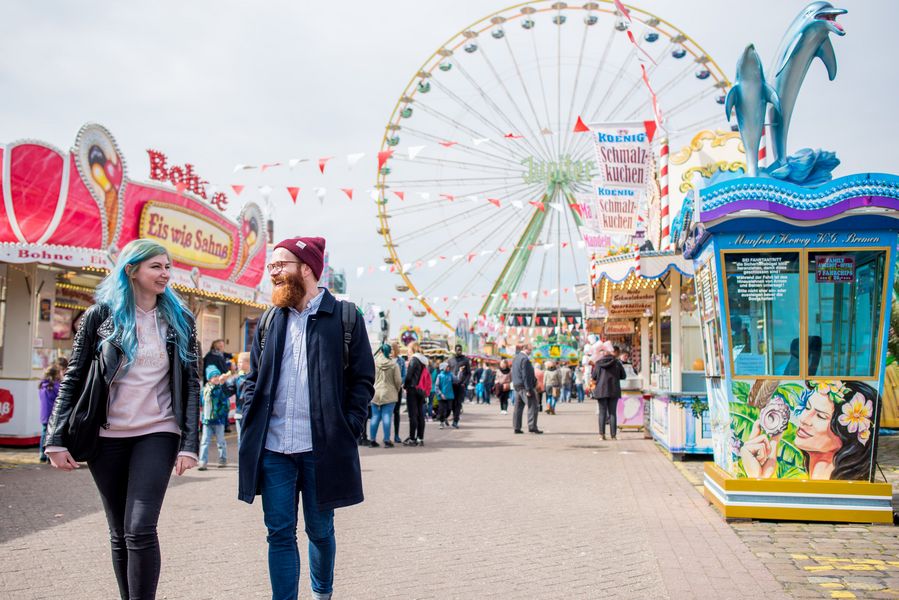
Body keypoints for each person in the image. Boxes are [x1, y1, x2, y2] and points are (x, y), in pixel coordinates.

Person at [44, 238, 200, 599]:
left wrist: (189, 444)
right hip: (106, 436)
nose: (165, 274)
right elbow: (75, 376)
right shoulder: (101, 317)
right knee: (119, 532)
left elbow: (191, 383)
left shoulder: (180, 319)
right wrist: (55, 437)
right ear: (132, 270)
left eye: (167, 267)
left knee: (140, 527)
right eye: (156, 267)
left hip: (158, 432)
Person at [238, 236, 374, 600]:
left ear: (307, 269)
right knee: (279, 532)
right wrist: (250, 410)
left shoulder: (344, 317)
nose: (273, 272)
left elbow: (363, 379)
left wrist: (349, 425)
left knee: (319, 529)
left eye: (280, 264)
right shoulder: (269, 320)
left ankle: (321, 593)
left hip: (322, 449)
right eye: (271, 267)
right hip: (274, 448)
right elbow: (253, 379)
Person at [740, 381, 880, 480]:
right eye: (807, 408)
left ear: (848, 433)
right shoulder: (790, 470)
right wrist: (758, 474)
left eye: (820, 416)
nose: (803, 418)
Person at [199, 365, 231, 470]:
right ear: (209, 378)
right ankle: (202, 462)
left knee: (220, 442)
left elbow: (226, 404)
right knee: (204, 442)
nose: (217, 378)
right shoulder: (204, 390)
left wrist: (219, 413)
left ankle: (223, 460)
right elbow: (201, 403)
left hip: (219, 421)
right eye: (214, 376)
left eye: (218, 375)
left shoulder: (220, 390)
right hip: (207, 421)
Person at [592, 343, 626, 440]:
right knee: (612, 413)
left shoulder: (598, 363)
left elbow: (594, 376)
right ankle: (613, 435)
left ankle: (602, 435)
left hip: (601, 390)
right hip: (614, 390)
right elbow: (623, 376)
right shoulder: (617, 363)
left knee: (602, 413)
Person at [371, 343, 401, 448]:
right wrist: (397, 389)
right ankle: (387, 440)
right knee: (387, 416)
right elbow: (398, 381)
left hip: (375, 393)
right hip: (389, 392)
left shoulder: (374, 363)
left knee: (375, 416)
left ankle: (372, 440)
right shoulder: (394, 364)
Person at [402, 342, 429, 446]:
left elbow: (409, 376)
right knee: (420, 415)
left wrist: (405, 386)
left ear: (412, 349)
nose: (408, 351)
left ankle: (412, 439)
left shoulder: (414, 360)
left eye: (408, 348)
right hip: (421, 390)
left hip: (413, 390)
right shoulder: (423, 361)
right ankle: (420, 438)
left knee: (412, 415)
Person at [511, 343, 541, 434]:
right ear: (525, 349)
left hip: (517, 386)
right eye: (530, 350)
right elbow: (526, 375)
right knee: (533, 406)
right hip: (525, 386)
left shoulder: (516, 358)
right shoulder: (525, 359)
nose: (531, 352)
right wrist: (528, 389)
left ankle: (516, 427)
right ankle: (532, 427)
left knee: (518, 407)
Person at [38, 365, 61, 463]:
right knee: (51, 435)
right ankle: (49, 456)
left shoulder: (42, 385)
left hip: (44, 414)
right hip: (53, 414)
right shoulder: (56, 386)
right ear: (56, 374)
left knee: (44, 433)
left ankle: (41, 454)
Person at [447, 344, 471, 429]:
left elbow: (468, 373)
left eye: (460, 349)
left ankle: (455, 421)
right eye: (457, 349)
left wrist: (465, 383)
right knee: (450, 403)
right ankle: (446, 417)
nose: (459, 351)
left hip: (461, 386)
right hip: (451, 385)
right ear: (455, 350)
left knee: (458, 404)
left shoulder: (465, 360)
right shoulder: (450, 360)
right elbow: (446, 372)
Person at [232, 352, 251, 447]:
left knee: (250, 439)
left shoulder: (255, 377)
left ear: (248, 363)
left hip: (251, 414)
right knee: (240, 439)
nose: (238, 364)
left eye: (240, 362)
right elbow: (228, 392)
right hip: (239, 413)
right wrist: (222, 384)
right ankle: (242, 461)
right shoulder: (237, 378)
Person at [435, 362, 455, 428]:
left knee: (449, 409)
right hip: (441, 397)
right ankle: (441, 422)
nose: (448, 368)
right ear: (443, 368)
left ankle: (445, 418)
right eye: (447, 367)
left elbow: (457, 380)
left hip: (450, 396)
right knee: (441, 410)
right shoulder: (439, 376)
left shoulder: (451, 375)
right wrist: (440, 394)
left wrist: (460, 372)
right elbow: (436, 386)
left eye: (449, 367)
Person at [393, 343, 406, 444]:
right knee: (386, 413)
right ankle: (387, 436)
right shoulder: (384, 359)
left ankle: (396, 435)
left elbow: (404, 375)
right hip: (387, 390)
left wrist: (399, 383)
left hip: (397, 389)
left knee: (396, 412)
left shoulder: (401, 361)